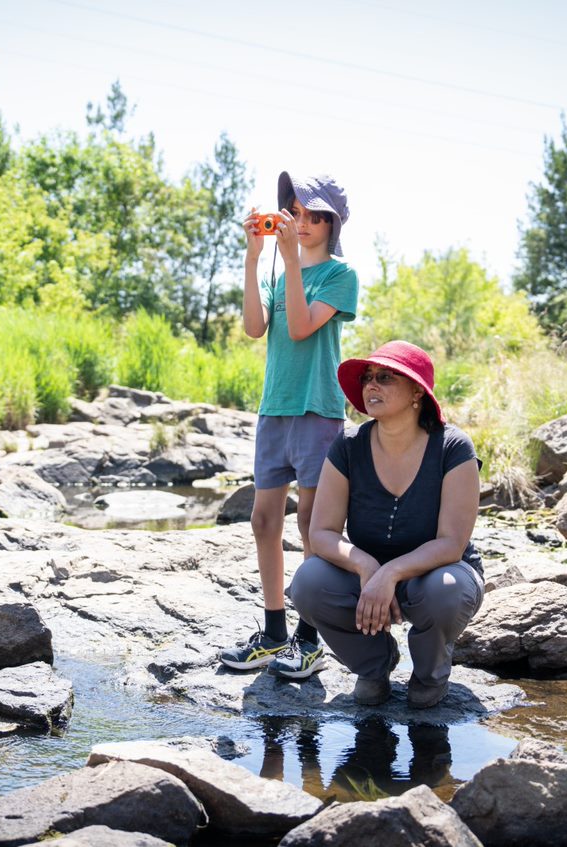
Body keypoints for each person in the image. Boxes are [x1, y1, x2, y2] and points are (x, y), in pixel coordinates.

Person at [287, 340, 484, 709]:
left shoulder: (453, 447)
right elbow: (322, 533)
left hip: (439, 573)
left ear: (416, 393)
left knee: (447, 591)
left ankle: (430, 675)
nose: (371, 385)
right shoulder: (347, 445)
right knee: (308, 583)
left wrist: (390, 573)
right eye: (367, 378)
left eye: (385, 377)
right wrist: (366, 566)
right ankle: (374, 666)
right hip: (366, 578)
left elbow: (451, 544)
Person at [218, 172, 359, 676]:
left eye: (310, 214)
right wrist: (255, 256)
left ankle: (310, 638)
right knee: (263, 521)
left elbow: (300, 328)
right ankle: (275, 632)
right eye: (294, 211)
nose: (299, 221)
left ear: (330, 223)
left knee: (311, 527)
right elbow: (256, 328)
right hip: (273, 408)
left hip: (318, 410)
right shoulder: (281, 272)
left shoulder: (340, 275)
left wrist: (293, 264)